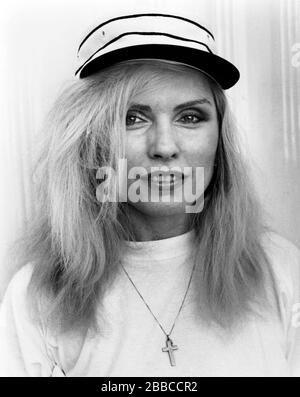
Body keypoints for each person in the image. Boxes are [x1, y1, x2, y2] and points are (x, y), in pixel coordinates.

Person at [0, 12, 300, 377]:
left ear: (219, 140)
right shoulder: (38, 296)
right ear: (90, 140)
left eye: (190, 117)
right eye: (132, 117)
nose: (164, 146)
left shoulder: (281, 270)